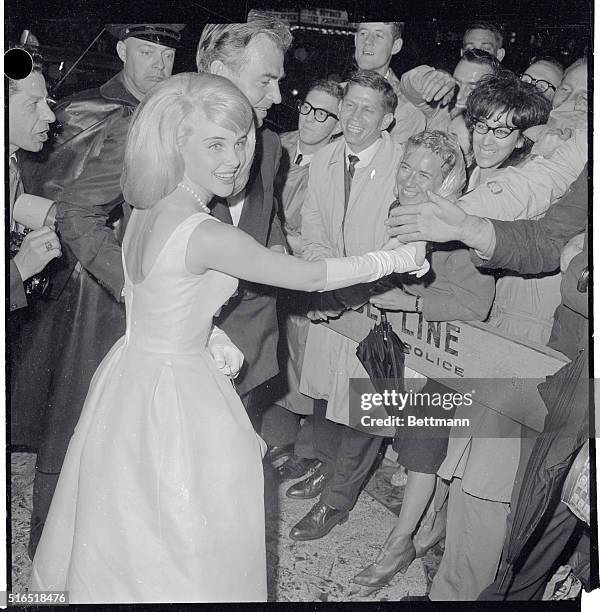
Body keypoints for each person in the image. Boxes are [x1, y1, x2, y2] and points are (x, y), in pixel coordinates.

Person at [30, 71, 428, 603]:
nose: (235, 159)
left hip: (134, 371)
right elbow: (308, 276)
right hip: (175, 387)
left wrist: (206, 327)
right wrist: (397, 257)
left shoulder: (150, 207)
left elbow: (157, 289)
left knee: (130, 518)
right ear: (175, 143)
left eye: (240, 141)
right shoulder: (205, 230)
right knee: (191, 525)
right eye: (215, 144)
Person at [385, 166, 589, 600]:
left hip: (554, 364)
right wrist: (471, 228)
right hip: (516, 353)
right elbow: (546, 237)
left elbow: (567, 267)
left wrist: (575, 269)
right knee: (471, 479)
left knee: (502, 497)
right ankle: (450, 587)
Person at [22, 23, 183, 559]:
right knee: (72, 404)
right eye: (146, 51)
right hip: (82, 282)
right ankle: (49, 539)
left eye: (167, 53)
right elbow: (44, 183)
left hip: (142, 278)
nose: (159, 64)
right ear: (121, 51)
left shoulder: (176, 113)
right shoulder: (82, 109)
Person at [286, 69, 426, 542]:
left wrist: (348, 286)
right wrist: (324, 281)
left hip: (376, 303)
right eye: (350, 104)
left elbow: (405, 243)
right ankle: (325, 468)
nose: (355, 116)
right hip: (332, 297)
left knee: (367, 408)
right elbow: (312, 231)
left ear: (388, 120)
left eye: (369, 109)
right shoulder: (325, 157)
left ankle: (337, 502)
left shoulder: (401, 166)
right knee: (327, 393)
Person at [353, 130, 494, 588]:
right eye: (406, 168)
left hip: (447, 353)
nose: (411, 181)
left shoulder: (456, 229)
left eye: (426, 174)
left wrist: (407, 303)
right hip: (409, 347)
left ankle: (399, 545)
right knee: (407, 441)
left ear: (448, 181)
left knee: (420, 453)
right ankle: (433, 523)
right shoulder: (401, 212)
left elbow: (476, 304)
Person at [195, 17, 292, 430]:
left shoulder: (269, 145)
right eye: (265, 80)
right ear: (220, 74)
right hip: (190, 339)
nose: (278, 94)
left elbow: (266, 217)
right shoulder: (164, 139)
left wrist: (278, 247)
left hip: (251, 339)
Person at [264, 79, 343, 478]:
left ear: (339, 122)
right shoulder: (276, 144)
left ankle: (308, 450)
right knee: (273, 353)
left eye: (325, 114)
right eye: (308, 107)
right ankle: (274, 438)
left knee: (307, 363)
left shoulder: (337, 165)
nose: (312, 119)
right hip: (267, 267)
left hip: (302, 267)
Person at [8, 52, 59, 312]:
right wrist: (20, 269)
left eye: (47, 102)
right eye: (33, 104)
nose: (50, 116)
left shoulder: (13, 164)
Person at [353, 21, 426, 143]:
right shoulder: (336, 94)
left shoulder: (406, 111)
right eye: (363, 33)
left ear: (395, 46)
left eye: (378, 35)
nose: (368, 41)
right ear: (355, 40)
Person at [399, 49, 500, 135]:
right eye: (457, 84)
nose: (459, 96)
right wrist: (428, 78)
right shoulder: (442, 110)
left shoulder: (497, 133)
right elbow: (407, 83)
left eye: (472, 88)